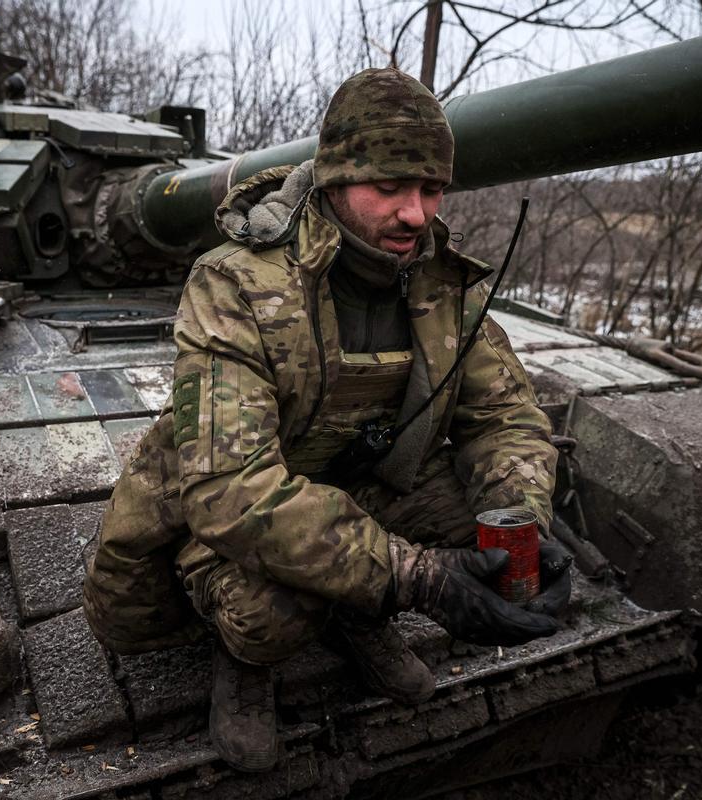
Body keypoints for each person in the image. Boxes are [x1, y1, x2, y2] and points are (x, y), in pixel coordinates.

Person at [84, 67, 569, 773]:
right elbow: (229, 489)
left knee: (490, 532)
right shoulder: (238, 281)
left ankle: (355, 611)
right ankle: (246, 659)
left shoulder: (442, 278)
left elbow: (504, 418)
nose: (415, 214)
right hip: (230, 513)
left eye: (432, 190)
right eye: (390, 187)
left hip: (359, 483)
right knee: (269, 613)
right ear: (338, 178)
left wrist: (523, 519)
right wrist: (422, 580)